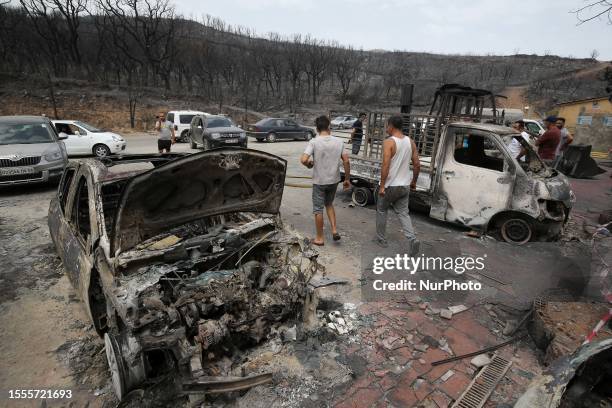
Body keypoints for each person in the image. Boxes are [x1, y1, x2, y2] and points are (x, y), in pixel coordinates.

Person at [300, 115, 350, 246]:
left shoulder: (314, 142)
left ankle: (319, 238)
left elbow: (304, 159)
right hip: (334, 180)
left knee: (318, 209)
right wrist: (347, 179)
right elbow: (346, 160)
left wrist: (309, 164)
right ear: (329, 126)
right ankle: (334, 230)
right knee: (329, 204)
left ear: (317, 128)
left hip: (319, 181)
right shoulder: (339, 141)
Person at [376, 115, 421, 255]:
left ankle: (381, 239)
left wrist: (382, 185)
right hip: (404, 185)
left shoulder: (389, 142)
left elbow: (385, 164)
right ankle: (412, 239)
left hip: (390, 185)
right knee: (403, 213)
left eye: (387, 125)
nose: (386, 128)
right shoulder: (410, 142)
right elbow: (417, 164)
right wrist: (413, 182)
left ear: (391, 126)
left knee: (382, 210)